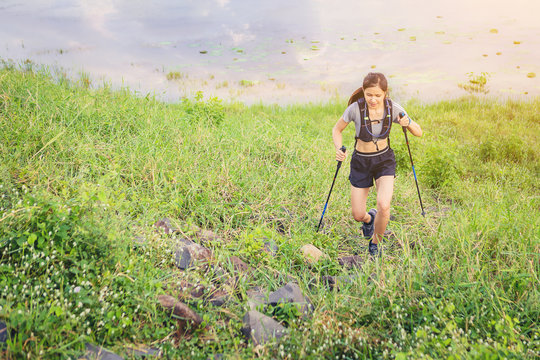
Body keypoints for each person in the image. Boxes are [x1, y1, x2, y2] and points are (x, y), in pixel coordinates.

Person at [332, 72, 422, 257]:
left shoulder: (393, 108)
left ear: (385, 93)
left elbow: (418, 132)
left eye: (378, 95)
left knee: (384, 205)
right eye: (369, 95)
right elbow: (337, 129)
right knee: (357, 214)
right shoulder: (355, 109)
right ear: (364, 91)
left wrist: (408, 123)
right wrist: (339, 148)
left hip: (384, 161)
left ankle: (375, 243)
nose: (373, 99)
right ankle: (368, 219)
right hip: (361, 162)